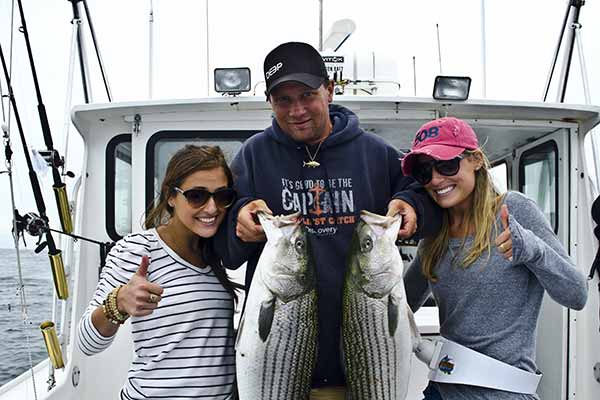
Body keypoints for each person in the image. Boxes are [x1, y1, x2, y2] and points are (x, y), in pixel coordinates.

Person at [215, 41, 441, 399]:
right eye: (283, 100)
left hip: (361, 364)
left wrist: (410, 205)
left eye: (307, 95)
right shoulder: (254, 156)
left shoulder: (374, 153)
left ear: (330, 90)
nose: (297, 109)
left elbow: (427, 195)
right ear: (270, 102)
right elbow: (224, 240)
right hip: (275, 363)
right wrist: (239, 221)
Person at [401, 117, 588, 400]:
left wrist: (533, 249)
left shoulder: (514, 209)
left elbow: (577, 294)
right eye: (424, 171)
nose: (436, 179)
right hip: (441, 390)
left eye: (447, 164)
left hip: (505, 393)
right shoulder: (435, 233)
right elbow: (401, 305)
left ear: (475, 160)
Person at [77, 145, 239, 400]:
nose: (211, 208)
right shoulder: (137, 249)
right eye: (197, 196)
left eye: (222, 196)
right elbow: (86, 343)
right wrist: (118, 303)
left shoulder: (222, 252)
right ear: (171, 196)